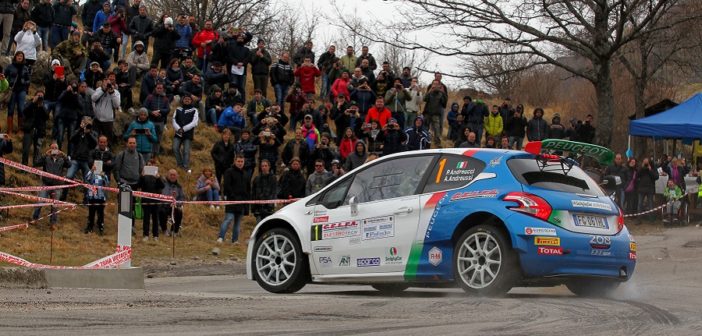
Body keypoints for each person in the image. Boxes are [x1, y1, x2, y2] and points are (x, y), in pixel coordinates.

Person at [31, 142, 69, 224]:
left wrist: (64, 156)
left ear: (58, 149)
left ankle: (53, 223)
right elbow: (36, 163)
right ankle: (34, 218)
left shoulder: (62, 159)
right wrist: (45, 154)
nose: (54, 150)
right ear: (50, 149)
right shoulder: (46, 158)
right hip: (46, 184)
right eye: (52, 148)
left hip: (57, 185)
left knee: (55, 205)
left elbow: (69, 165)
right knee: (40, 202)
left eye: (56, 148)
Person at [218, 155, 249, 244]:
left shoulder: (246, 174)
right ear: (235, 161)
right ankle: (220, 237)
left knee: (238, 222)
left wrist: (246, 203)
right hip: (232, 200)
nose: (240, 163)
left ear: (244, 162)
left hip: (242, 202)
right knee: (228, 219)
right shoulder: (229, 171)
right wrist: (233, 196)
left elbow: (247, 189)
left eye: (241, 161)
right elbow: (227, 186)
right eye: (238, 161)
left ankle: (235, 240)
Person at [65, 117, 98, 185]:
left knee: (88, 181)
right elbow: (71, 139)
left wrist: (88, 133)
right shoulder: (78, 131)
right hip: (75, 159)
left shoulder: (94, 133)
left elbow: (94, 144)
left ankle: (87, 195)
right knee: (68, 176)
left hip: (86, 160)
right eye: (85, 123)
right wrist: (80, 129)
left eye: (88, 124)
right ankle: (64, 194)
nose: (87, 125)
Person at [4, 50, 30, 134]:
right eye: (18, 56)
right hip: (12, 90)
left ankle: (20, 130)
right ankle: (10, 130)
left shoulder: (25, 68)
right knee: (10, 109)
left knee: (21, 109)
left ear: (23, 58)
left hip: (22, 90)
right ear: (15, 57)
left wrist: (24, 82)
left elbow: (28, 80)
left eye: (21, 56)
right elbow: (4, 77)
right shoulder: (10, 67)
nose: (19, 57)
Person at [138, 160, 163, 241]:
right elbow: (139, 185)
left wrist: (158, 178)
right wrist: (142, 176)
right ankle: (146, 235)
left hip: (155, 200)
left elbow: (162, 186)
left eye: (152, 165)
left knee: (155, 218)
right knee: (146, 218)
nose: (150, 166)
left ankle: (156, 235)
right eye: (149, 165)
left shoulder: (158, 176)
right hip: (146, 200)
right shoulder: (144, 176)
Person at [172, 95, 199, 169]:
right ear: (183, 100)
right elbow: (174, 120)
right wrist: (178, 129)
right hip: (178, 133)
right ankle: (180, 164)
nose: (187, 100)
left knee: (186, 151)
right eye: (185, 99)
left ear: (191, 101)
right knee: (175, 148)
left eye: (188, 99)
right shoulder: (178, 109)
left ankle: (185, 167)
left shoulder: (194, 110)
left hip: (188, 134)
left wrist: (184, 129)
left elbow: (194, 122)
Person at [21, 91, 47, 165]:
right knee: (25, 149)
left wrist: (41, 106)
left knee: (37, 150)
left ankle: (35, 167)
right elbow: (25, 112)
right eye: (38, 95)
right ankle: (24, 166)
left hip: (39, 131)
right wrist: (33, 103)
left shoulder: (43, 105)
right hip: (29, 129)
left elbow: (46, 117)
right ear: (34, 96)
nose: (40, 97)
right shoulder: (29, 103)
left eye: (41, 96)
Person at [83, 162, 109, 235]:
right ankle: (90, 227)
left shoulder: (104, 175)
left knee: (101, 213)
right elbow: (86, 179)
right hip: (92, 197)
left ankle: (101, 227)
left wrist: (103, 176)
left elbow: (107, 184)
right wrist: (91, 170)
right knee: (91, 213)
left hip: (101, 197)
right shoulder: (91, 174)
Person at [160, 169, 185, 236]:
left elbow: (182, 198)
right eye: (171, 175)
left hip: (174, 205)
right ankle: (164, 229)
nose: (172, 176)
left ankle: (174, 231)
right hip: (163, 205)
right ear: (167, 175)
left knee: (179, 212)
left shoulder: (179, 187)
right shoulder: (162, 184)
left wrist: (177, 204)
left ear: (177, 176)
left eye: (174, 175)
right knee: (162, 211)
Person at [423, 79, 447, 147]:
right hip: (427, 113)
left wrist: (443, 92)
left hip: (436, 114)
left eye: (437, 84)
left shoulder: (441, 94)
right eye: (434, 84)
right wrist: (430, 90)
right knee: (425, 128)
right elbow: (424, 99)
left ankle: (438, 143)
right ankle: (425, 140)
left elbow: (444, 104)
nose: (435, 85)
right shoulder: (430, 92)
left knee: (437, 129)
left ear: (439, 85)